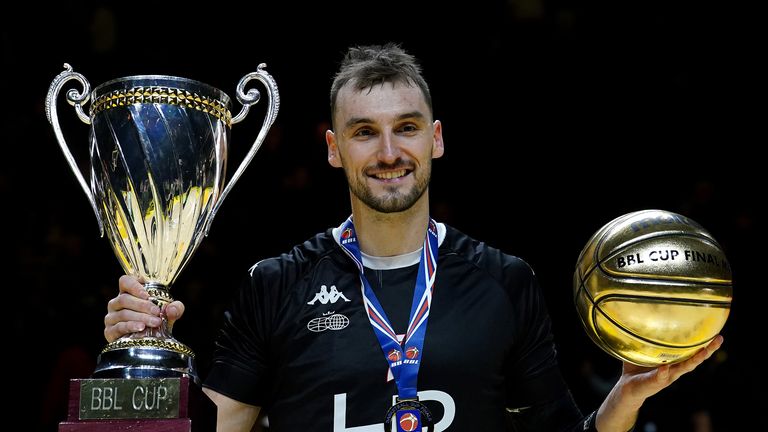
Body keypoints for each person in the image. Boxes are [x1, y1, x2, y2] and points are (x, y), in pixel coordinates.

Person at [104, 43, 723, 431]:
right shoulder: (278, 283)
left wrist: (626, 397)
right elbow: (216, 426)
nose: (390, 152)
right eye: (365, 132)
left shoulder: (505, 281)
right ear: (333, 148)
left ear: (437, 139)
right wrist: (148, 365)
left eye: (407, 128)